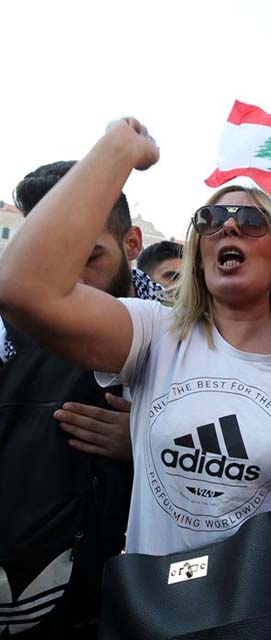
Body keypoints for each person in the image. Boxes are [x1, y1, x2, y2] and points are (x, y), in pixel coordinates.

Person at [0, 122, 271, 639]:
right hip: (159, 612)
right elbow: (22, 289)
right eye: (210, 219)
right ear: (197, 248)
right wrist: (117, 150)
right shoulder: (154, 332)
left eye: (251, 220)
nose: (228, 228)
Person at [0, 160, 164, 638]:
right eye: (51, 255)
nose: (65, 278)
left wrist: (152, 443)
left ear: (132, 243)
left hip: (145, 604)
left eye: (89, 257)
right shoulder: (8, 336)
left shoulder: (189, 337)